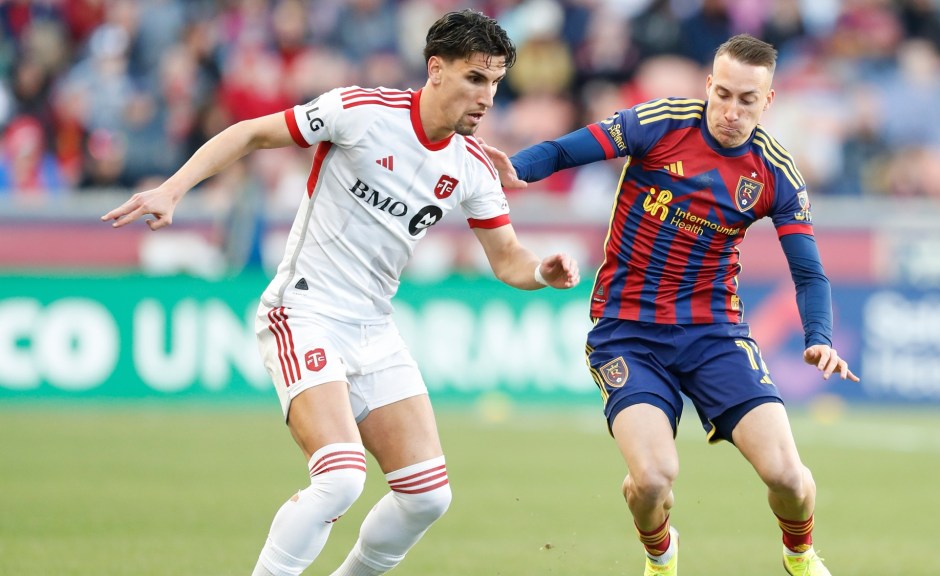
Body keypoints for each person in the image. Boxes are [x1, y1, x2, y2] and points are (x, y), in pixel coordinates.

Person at [102, 10, 579, 576]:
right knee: (341, 477)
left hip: (373, 329)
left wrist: (544, 272)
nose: (488, 97)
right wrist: (173, 189)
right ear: (436, 70)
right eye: (476, 78)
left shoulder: (473, 166)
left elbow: (508, 261)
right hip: (303, 310)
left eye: (496, 82)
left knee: (428, 497)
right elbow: (253, 132)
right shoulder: (361, 111)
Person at [485, 34, 857, 576]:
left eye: (746, 101)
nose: (730, 111)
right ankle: (660, 554)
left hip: (714, 334)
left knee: (788, 477)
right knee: (653, 479)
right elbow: (569, 149)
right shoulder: (660, 123)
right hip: (627, 332)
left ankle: (798, 555)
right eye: (722, 94)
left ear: (768, 102)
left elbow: (808, 271)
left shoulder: (774, 171)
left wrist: (818, 337)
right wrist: (518, 168)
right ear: (708, 85)